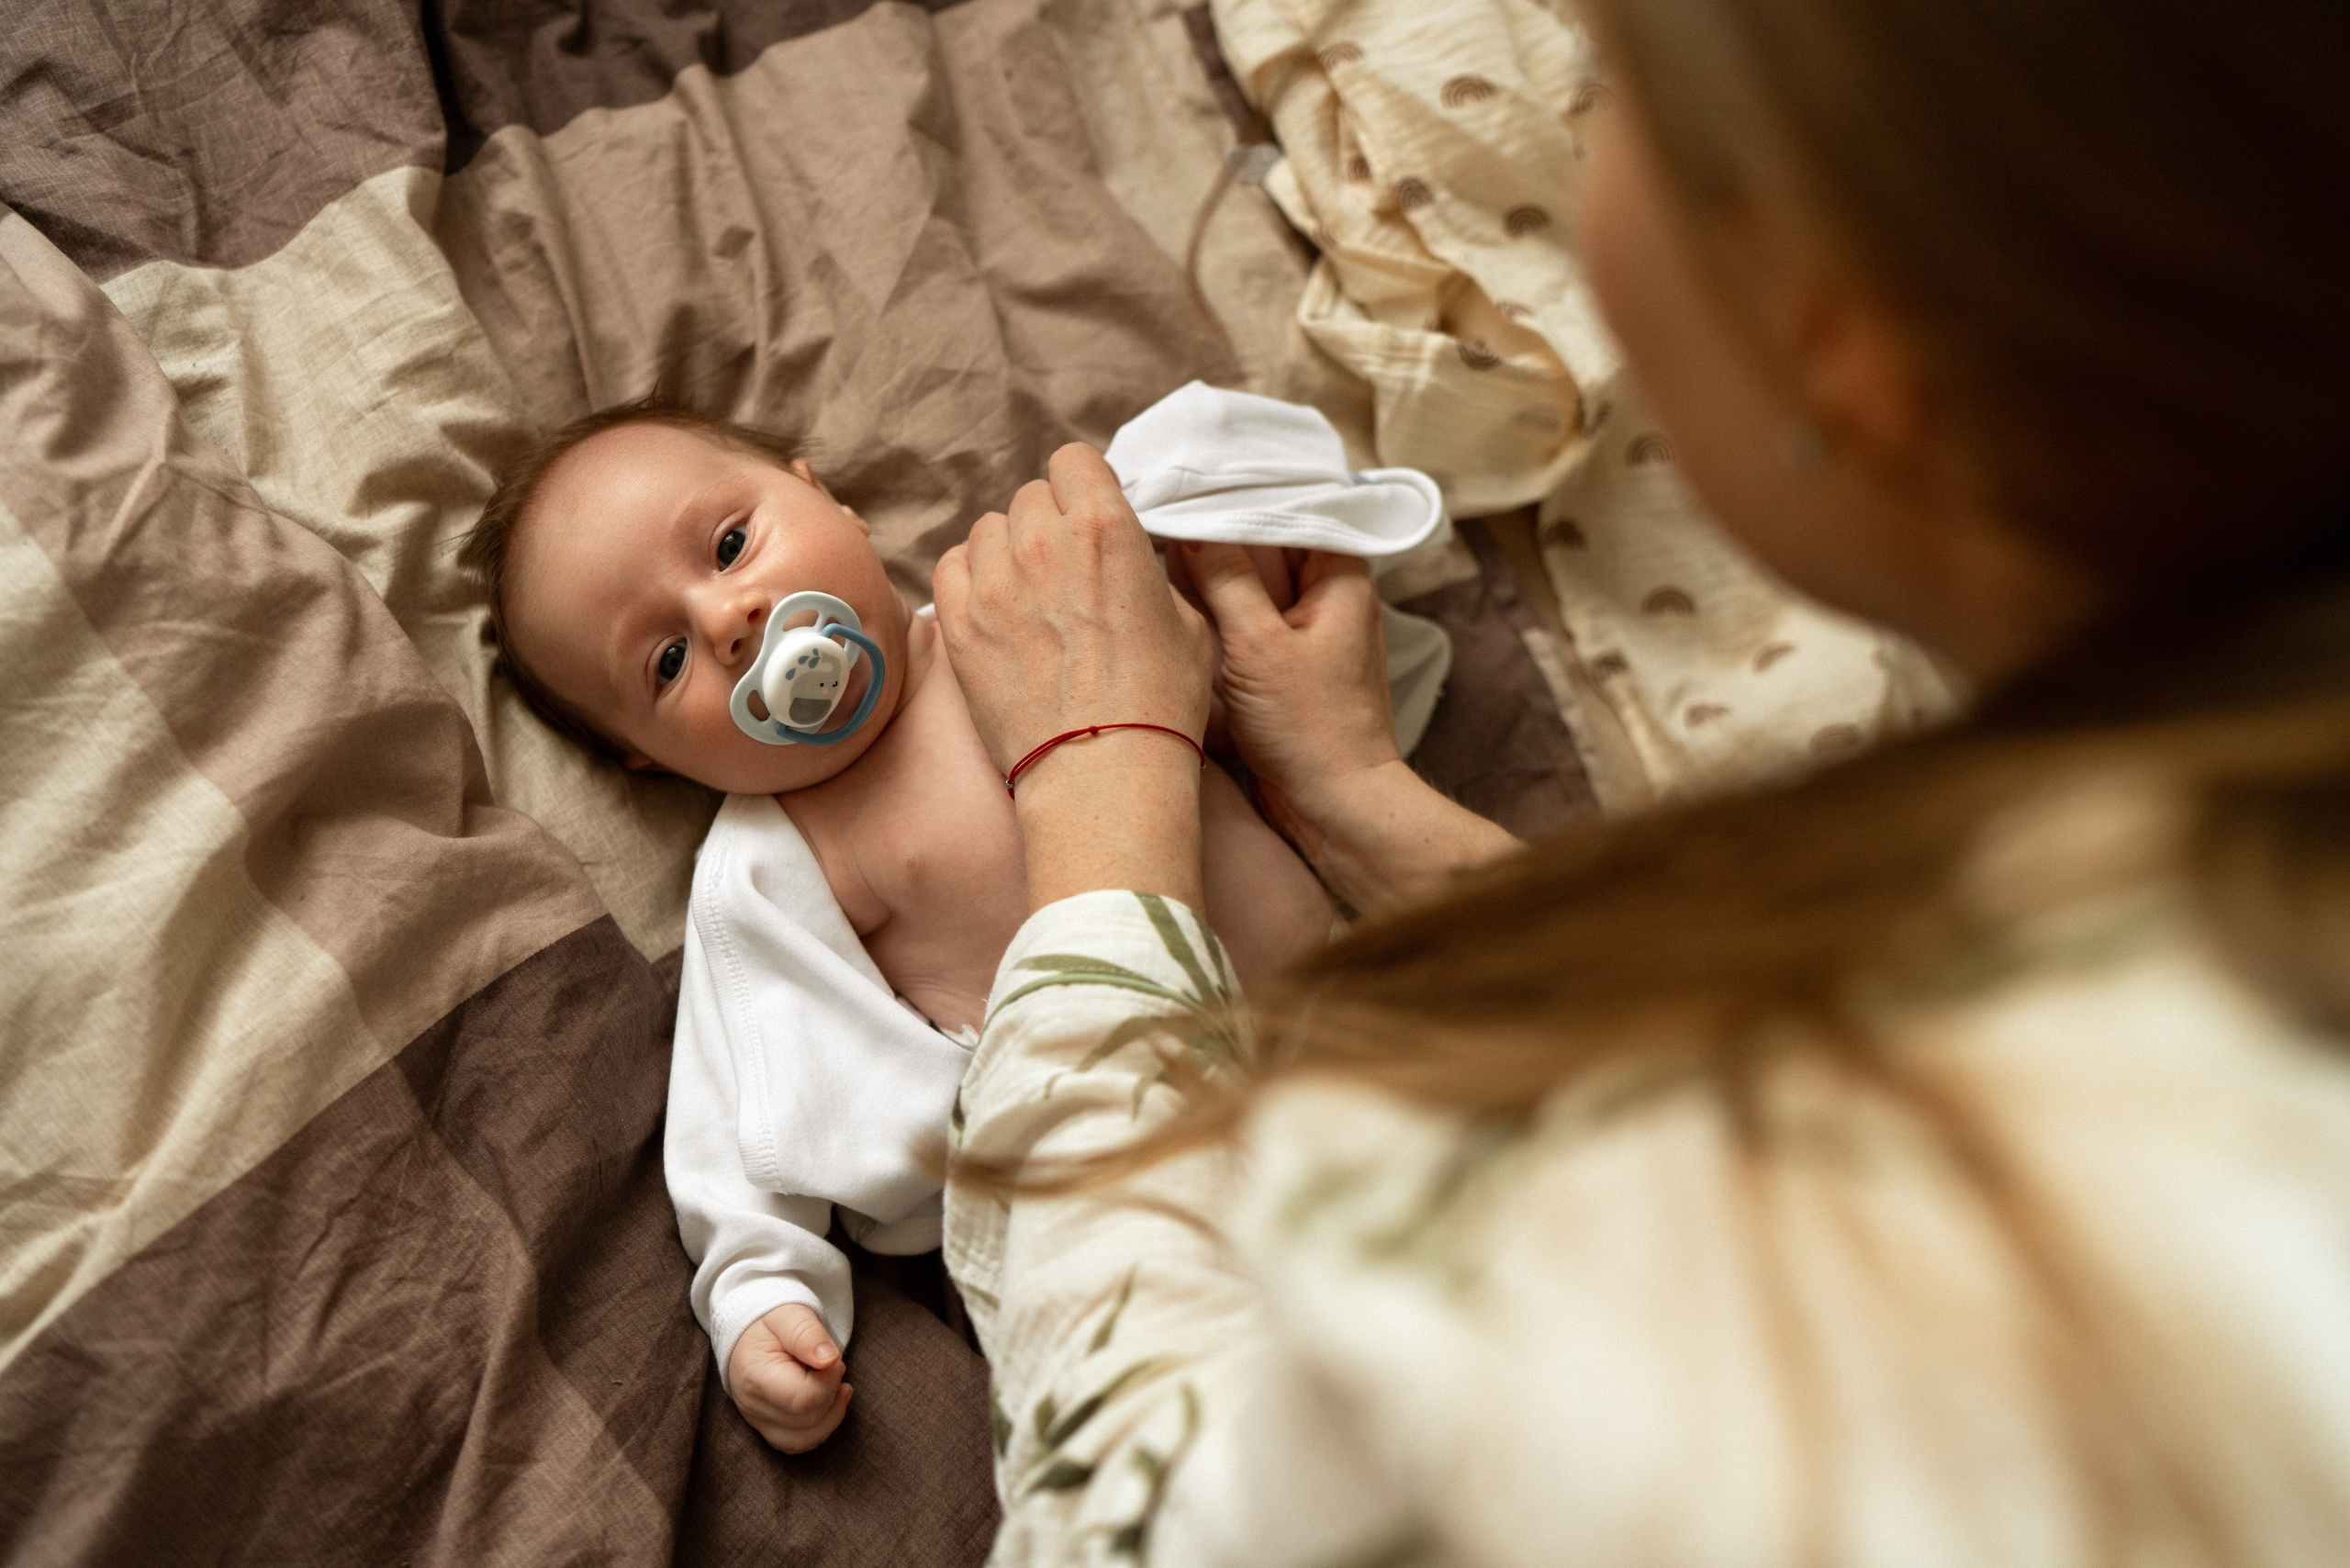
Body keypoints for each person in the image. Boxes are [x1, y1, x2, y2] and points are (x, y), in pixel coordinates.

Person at [930, 3, 2350, 1562]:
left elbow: (1126, 1518)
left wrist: (1100, 794)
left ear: (1841, 347)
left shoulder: (1646, 1263)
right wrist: (1359, 794)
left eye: (1613, 102)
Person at [459, 407, 1334, 1452]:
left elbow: (1224, 680)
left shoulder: (1017, 617)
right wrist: (758, 1288)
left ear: (831, 499)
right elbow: (740, 1098)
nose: (729, 619)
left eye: (731, 545)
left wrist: (1244, 537)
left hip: (1372, 1016)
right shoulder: (780, 859)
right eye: (666, 661)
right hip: (1163, 1168)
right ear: (649, 761)